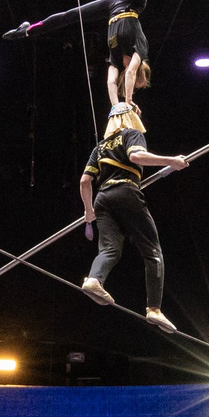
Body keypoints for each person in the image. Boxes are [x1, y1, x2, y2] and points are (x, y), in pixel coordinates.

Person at [5, 0, 191, 106]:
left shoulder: (117, 60)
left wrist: (117, 106)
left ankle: (26, 31)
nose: (132, 84)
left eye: (133, 88)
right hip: (130, 2)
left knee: (70, 16)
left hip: (111, 10)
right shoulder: (139, 52)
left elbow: (110, 82)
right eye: (136, 84)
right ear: (140, 70)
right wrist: (129, 102)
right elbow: (131, 74)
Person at [78, 102, 188, 332]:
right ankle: (154, 309)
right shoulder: (132, 134)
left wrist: (89, 211)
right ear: (129, 117)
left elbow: (85, 181)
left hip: (102, 199)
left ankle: (94, 279)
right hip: (126, 191)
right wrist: (172, 161)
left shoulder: (99, 147)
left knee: (110, 249)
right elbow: (136, 157)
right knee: (152, 251)